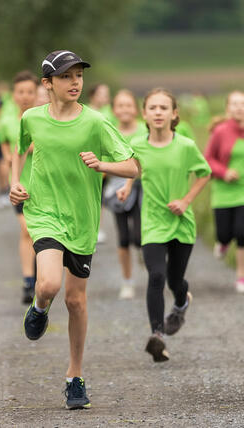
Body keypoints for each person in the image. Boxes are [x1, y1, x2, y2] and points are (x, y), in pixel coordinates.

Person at [10, 50, 139, 410]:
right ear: (47, 83)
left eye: (79, 76)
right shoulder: (31, 118)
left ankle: (75, 376)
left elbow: (132, 167)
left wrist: (103, 164)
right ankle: (38, 306)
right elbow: (17, 151)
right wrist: (14, 183)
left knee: (75, 300)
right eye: (66, 77)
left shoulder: (96, 122)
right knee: (50, 284)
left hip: (82, 220)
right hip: (44, 212)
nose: (75, 82)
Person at [119, 88, 211, 362]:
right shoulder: (137, 143)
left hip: (181, 223)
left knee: (174, 280)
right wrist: (125, 188)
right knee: (156, 276)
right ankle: (157, 336)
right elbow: (133, 169)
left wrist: (186, 200)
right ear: (144, 114)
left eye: (164, 108)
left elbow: (205, 173)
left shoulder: (185, 146)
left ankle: (182, 302)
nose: (158, 112)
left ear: (174, 114)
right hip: (153, 222)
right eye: (153, 108)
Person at [204, 91, 244, 293]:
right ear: (228, 109)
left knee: (242, 233)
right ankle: (223, 244)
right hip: (223, 191)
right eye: (235, 104)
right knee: (224, 234)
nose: (239, 107)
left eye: (243, 104)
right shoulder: (220, 132)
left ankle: (242, 277)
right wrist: (224, 172)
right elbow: (207, 159)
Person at [102, 89, 147, 300]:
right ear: (114, 110)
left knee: (138, 237)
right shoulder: (110, 132)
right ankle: (127, 281)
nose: (124, 109)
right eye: (120, 105)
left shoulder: (144, 131)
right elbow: (103, 162)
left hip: (144, 187)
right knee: (123, 238)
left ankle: (142, 252)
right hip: (117, 190)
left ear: (136, 109)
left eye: (128, 105)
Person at [0, 70, 39, 304]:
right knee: (26, 230)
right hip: (18, 184)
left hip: (43, 185)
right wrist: (9, 156)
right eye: (21, 92)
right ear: (14, 95)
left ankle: (40, 276)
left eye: (30, 92)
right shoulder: (6, 121)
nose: (25, 96)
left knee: (39, 234)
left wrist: (27, 148)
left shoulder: (43, 119)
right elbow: (5, 142)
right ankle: (28, 279)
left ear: (37, 94)